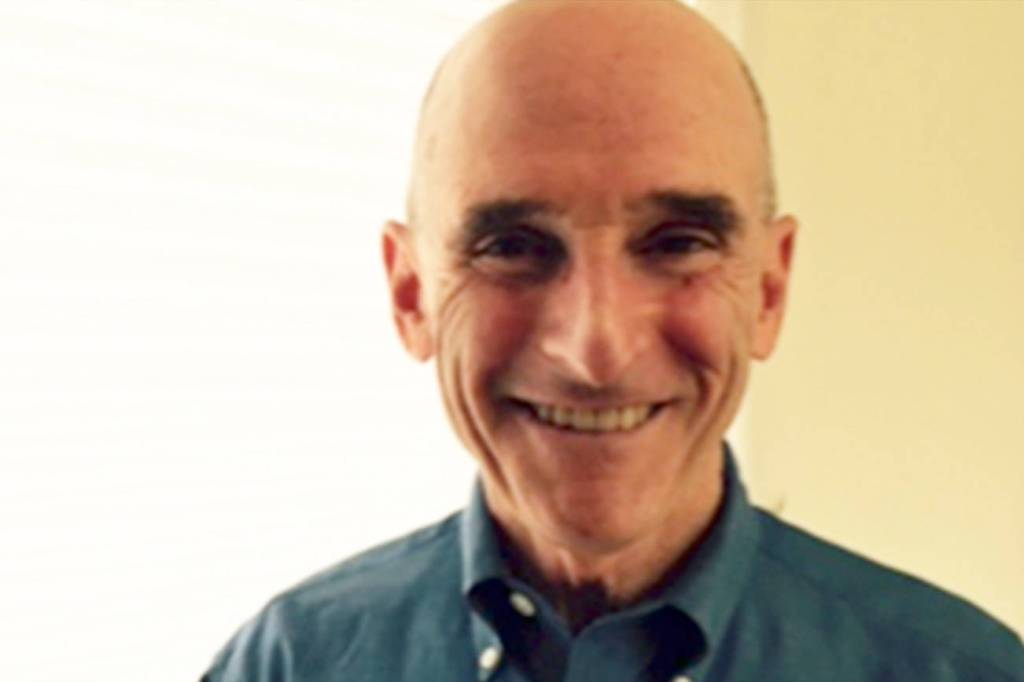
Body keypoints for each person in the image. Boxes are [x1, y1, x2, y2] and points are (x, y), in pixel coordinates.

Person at [201, 1, 1024, 680]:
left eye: (678, 243)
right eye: (512, 246)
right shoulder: (289, 665)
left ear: (769, 292)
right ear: (411, 293)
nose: (596, 352)